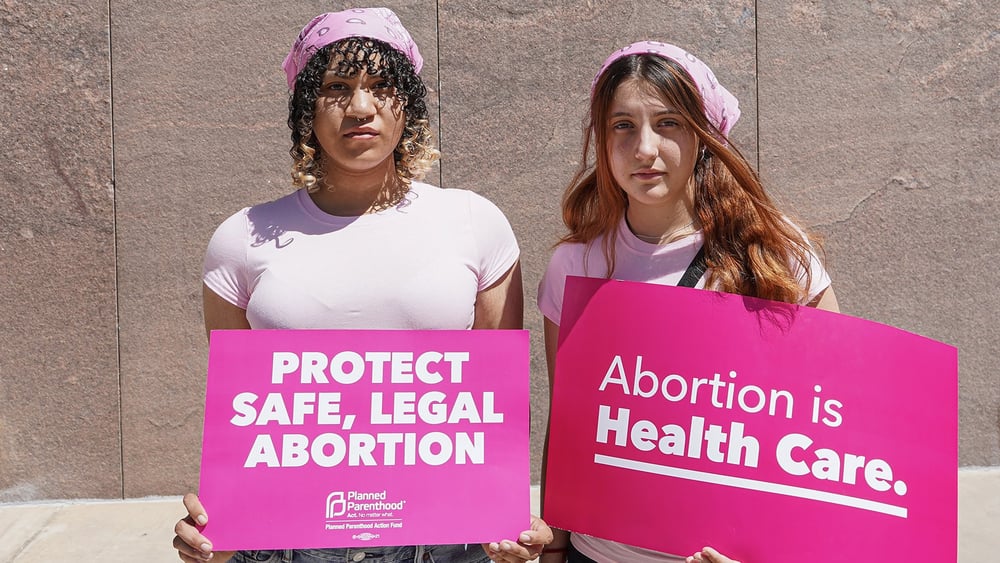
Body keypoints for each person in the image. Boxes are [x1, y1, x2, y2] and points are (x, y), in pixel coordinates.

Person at [172, 8, 551, 563]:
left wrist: (508, 522)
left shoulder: (476, 224)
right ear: (306, 104)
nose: (360, 107)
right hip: (288, 542)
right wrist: (217, 533)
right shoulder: (241, 239)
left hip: (445, 538)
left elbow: (491, 407)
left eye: (381, 85)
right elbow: (246, 420)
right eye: (337, 87)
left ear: (410, 103)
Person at [536, 41, 840, 563]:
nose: (644, 149)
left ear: (705, 135)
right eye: (622, 125)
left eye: (669, 123)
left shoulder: (774, 253)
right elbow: (568, 421)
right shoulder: (575, 264)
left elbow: (831, 420)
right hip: (597, 554)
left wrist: (772, 549)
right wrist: (556, 545)